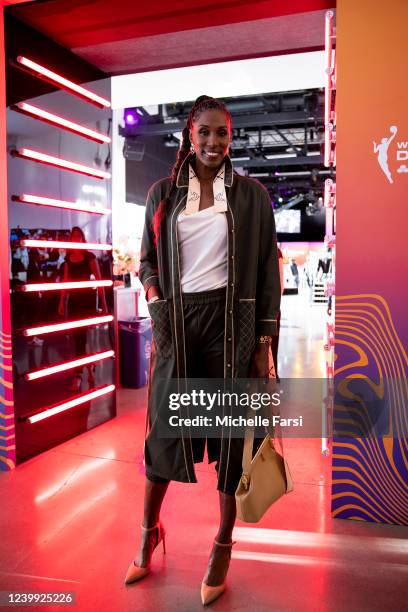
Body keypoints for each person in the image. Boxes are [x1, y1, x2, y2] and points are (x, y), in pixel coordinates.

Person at [125, 95, 281, 605]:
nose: (214, 142)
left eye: (223, 134)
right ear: (188, 136)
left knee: (233, 442)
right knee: (165, 436)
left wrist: (264, 343)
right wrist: (155, 301)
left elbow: (266, 271)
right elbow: (147, 261)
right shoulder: (163, 194)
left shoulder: (253, 197)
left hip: (232, 327)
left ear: (230, 138)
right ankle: (149, 531)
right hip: (179, 324)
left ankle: (222, 544)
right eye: (205, 133)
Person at [58, 227, 108, 391]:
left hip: (87, 302)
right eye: (74, 236)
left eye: (79, 236)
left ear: (82, 239)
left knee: (82, 338)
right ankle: (89, 367)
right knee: (79, 338)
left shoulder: (89, 257)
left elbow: (100, 281)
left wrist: (104, 305)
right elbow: (65, 281)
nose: (76, 239)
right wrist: (61, 301)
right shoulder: (67, 259)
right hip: (74, 302)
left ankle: (78, 374)